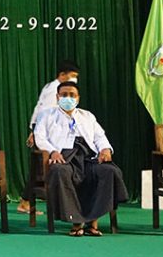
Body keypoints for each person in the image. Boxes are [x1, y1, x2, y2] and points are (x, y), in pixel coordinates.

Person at [34, 81, 127, 236]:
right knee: (59, 172)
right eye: (64, 95)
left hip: (88, 156)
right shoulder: (47, 115)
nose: (68, 98)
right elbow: (40, 137)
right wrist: (52, 152)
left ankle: (93, 221)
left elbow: (99, 137)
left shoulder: (87, 116)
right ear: (57, 97)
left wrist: (105, 149)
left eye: (72, 95)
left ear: (78, 98)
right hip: (64, 157)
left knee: (108, 171)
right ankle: (76, 222)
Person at [17, 60, 80, 213]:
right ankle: (27, 202)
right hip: (46, 134)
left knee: (37, 170)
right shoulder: (54, 90)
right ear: (62, 75)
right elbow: (43, 112)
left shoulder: (49, 86)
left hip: (43, 130)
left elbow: (38, 108)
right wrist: (35, 131)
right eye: (73, 76)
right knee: (40, 170)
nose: (75, 80)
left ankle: (25, 202)